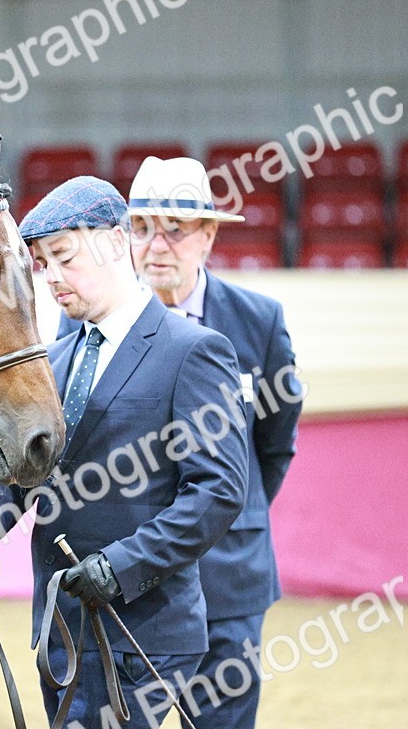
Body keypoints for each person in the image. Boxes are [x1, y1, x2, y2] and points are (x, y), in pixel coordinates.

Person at [0, 176, 248, 729]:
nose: (52, 278)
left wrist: (122, 566)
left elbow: (217, 492)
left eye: (63, 256)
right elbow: (21, 474)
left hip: (146, 632)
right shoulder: (51, 362)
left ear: (115, 242)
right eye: (42, 263)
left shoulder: (195, 352)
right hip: (61, 630)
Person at [127, 155, 304, 728]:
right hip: (130, 582)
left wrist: (233, 510)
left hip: (230, 581)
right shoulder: (91, 323)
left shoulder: (258, 321)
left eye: (174, 229)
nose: (156, 245)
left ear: (207, 236)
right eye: (141, 228)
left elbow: (273, 445)